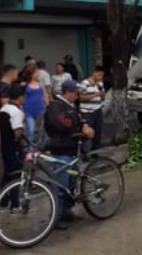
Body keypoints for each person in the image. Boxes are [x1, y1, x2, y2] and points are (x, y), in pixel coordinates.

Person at [44, 80, 95, 230]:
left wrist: (84, 124)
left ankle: (66, 212)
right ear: (68, 92)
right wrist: (79, 125)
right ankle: (56, 217)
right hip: (61, 150)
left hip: (72, 150)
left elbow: (80, 118)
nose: (77, 95)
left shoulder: (71, 106)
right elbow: (63, 123)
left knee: (71, 184)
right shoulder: (55, 106)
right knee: (60, 186)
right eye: (75, 93)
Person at [0, 84, 26, 211]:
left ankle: (3, 200)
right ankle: (15, 203)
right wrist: (19, 141)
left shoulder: (4, 108)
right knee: (15, 175)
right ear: (20, 97)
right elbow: (17, 132)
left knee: (7, 173)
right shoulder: (16, 112)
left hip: (4, 146)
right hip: (13, 147)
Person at [22, 64, 49, 146]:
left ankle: (37, 149)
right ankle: (29, 149)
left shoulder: (40, 85)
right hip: (28, 111)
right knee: (31, 130)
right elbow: (22, 98)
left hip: (40, 111)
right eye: (36, 72)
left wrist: (48, 106)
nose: (38, 74)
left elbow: (45, 96)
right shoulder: (24, 85)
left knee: (40, 131)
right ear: (31, 73)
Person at [79, 66, 106, 150]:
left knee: (98, 132)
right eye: (99, 75)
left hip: (98, 110)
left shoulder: (100, 83)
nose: (100, 77)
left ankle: (96, 151)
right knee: (87, 133)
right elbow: (81, 97)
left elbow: (103, 97)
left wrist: (101, 91)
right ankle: (85, 152)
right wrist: (96, 94)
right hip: (87, 112)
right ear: (94, 73)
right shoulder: (84, 83)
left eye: (102, 76)